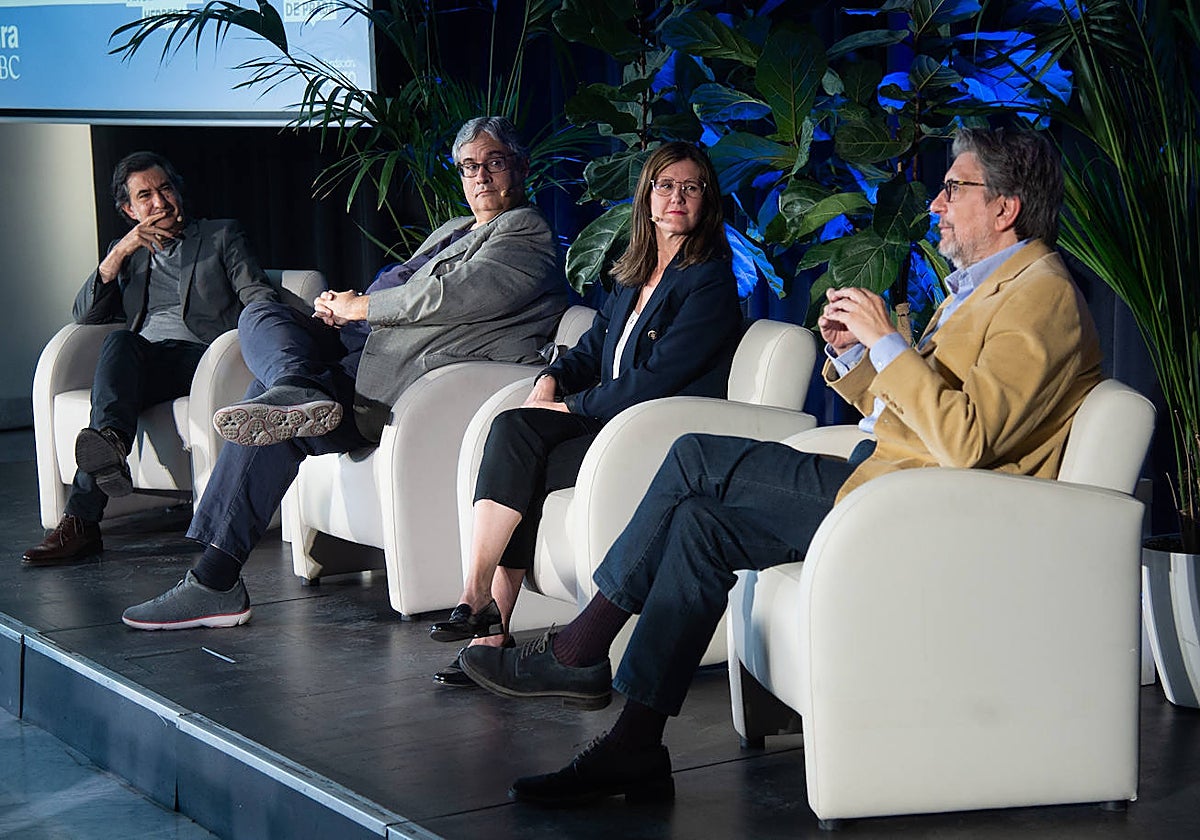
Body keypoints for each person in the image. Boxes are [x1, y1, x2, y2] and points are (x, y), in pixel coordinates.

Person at [458, 127, 1104, 806]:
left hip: (924, 509)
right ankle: (635, 746)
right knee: (701, 528)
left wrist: (891, 345)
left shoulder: (1041, 297)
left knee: (694, 457)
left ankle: (580, 651)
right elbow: (924, 413)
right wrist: (861, 360)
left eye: (954, 188)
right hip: (889, 480)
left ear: (1005, 208)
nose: (936, 205)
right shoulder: (987, 288)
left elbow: (967, 442)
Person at [121, 116, 569, 630]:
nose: (481, 176)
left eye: (494, 163)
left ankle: (215, 577)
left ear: (520, 166)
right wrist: (340, 306)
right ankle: (296, 389)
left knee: (266, 400)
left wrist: (363, 308)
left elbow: (451, 295)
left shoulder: (526, 233)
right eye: (470, 166)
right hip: (356, 352)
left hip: (393, 382)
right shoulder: (456, 229)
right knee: (259, 315)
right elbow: (397, 281)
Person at [427, 142, 743, 687]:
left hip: (652, 432)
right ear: (646, 197)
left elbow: (655, 380)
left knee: (516, 429)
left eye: (691, 188)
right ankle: (487, 629)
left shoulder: (709, 282)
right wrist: (551, 378)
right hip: (611, 421)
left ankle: (478, 602)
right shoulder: (632, 275)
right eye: (665, 186)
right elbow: (593, 348)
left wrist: (568, 405)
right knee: (522, 457)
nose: (677, 197)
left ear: (706, 202)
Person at [23, 152, 277, 565]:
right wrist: (119, 252)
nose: (159, 202)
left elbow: (258, 297)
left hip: (202, 361)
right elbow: (86, 315)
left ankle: (82, 519)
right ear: (129, 209)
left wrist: (252, 342)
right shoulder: (129, 253)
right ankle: (110, 449)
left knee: (119, 356)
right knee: (119, 344)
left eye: (165, 189)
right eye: (145, 196)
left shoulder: (221, 235)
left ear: (178, 192)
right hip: (147, 362)